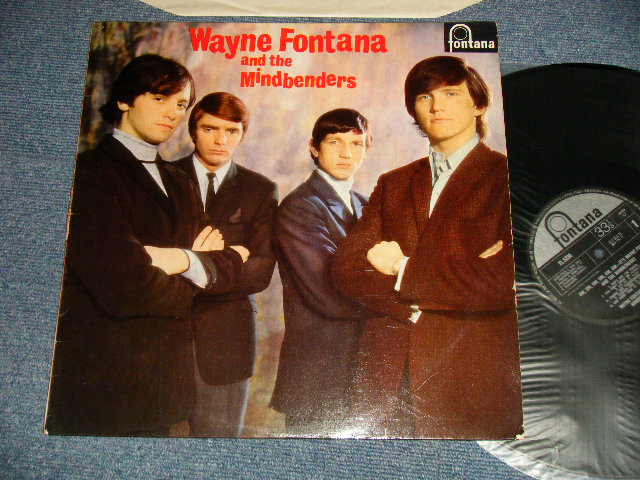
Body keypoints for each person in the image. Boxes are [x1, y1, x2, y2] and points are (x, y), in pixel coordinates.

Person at [45, 55, 246, 436]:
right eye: (159, 98)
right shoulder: (88, 173)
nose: (173, 113)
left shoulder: (180, 181)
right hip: (103, 383)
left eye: (181, 104)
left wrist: (176, 259)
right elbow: (124, 287)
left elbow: (229, 267)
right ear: (124, 100)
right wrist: (196, 269)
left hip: (163, 388)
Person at [332, 56, 522, 438]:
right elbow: (346, 268)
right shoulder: (393, 183)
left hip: (469, 375)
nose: (437, 106)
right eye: (424, 97)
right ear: (414, 111)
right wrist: (434, 296)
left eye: (451, 93)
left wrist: (400, 268)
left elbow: (500, 281)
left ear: (478, 104)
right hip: (386, 378)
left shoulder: (507, 178)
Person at [173, 92, 278, 437]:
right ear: (193, 131)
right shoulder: (163, 177)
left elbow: (260, 271)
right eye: (210, 129)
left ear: (242, 135)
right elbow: (144, 261)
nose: (221, 140)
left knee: (218, 446)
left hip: (226, 341)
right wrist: (225, 259)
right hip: (162, 333)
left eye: (231, 131)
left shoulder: (260, 189)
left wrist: (185, 264)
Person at [270, 108, 371, 434]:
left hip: (363, 369)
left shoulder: (367, 205)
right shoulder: (300, 206)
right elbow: (327, 293)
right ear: (314, 148)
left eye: (356, 144)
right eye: (335, 142)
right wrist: (395, 305)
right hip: (318, 374)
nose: (346, 153)